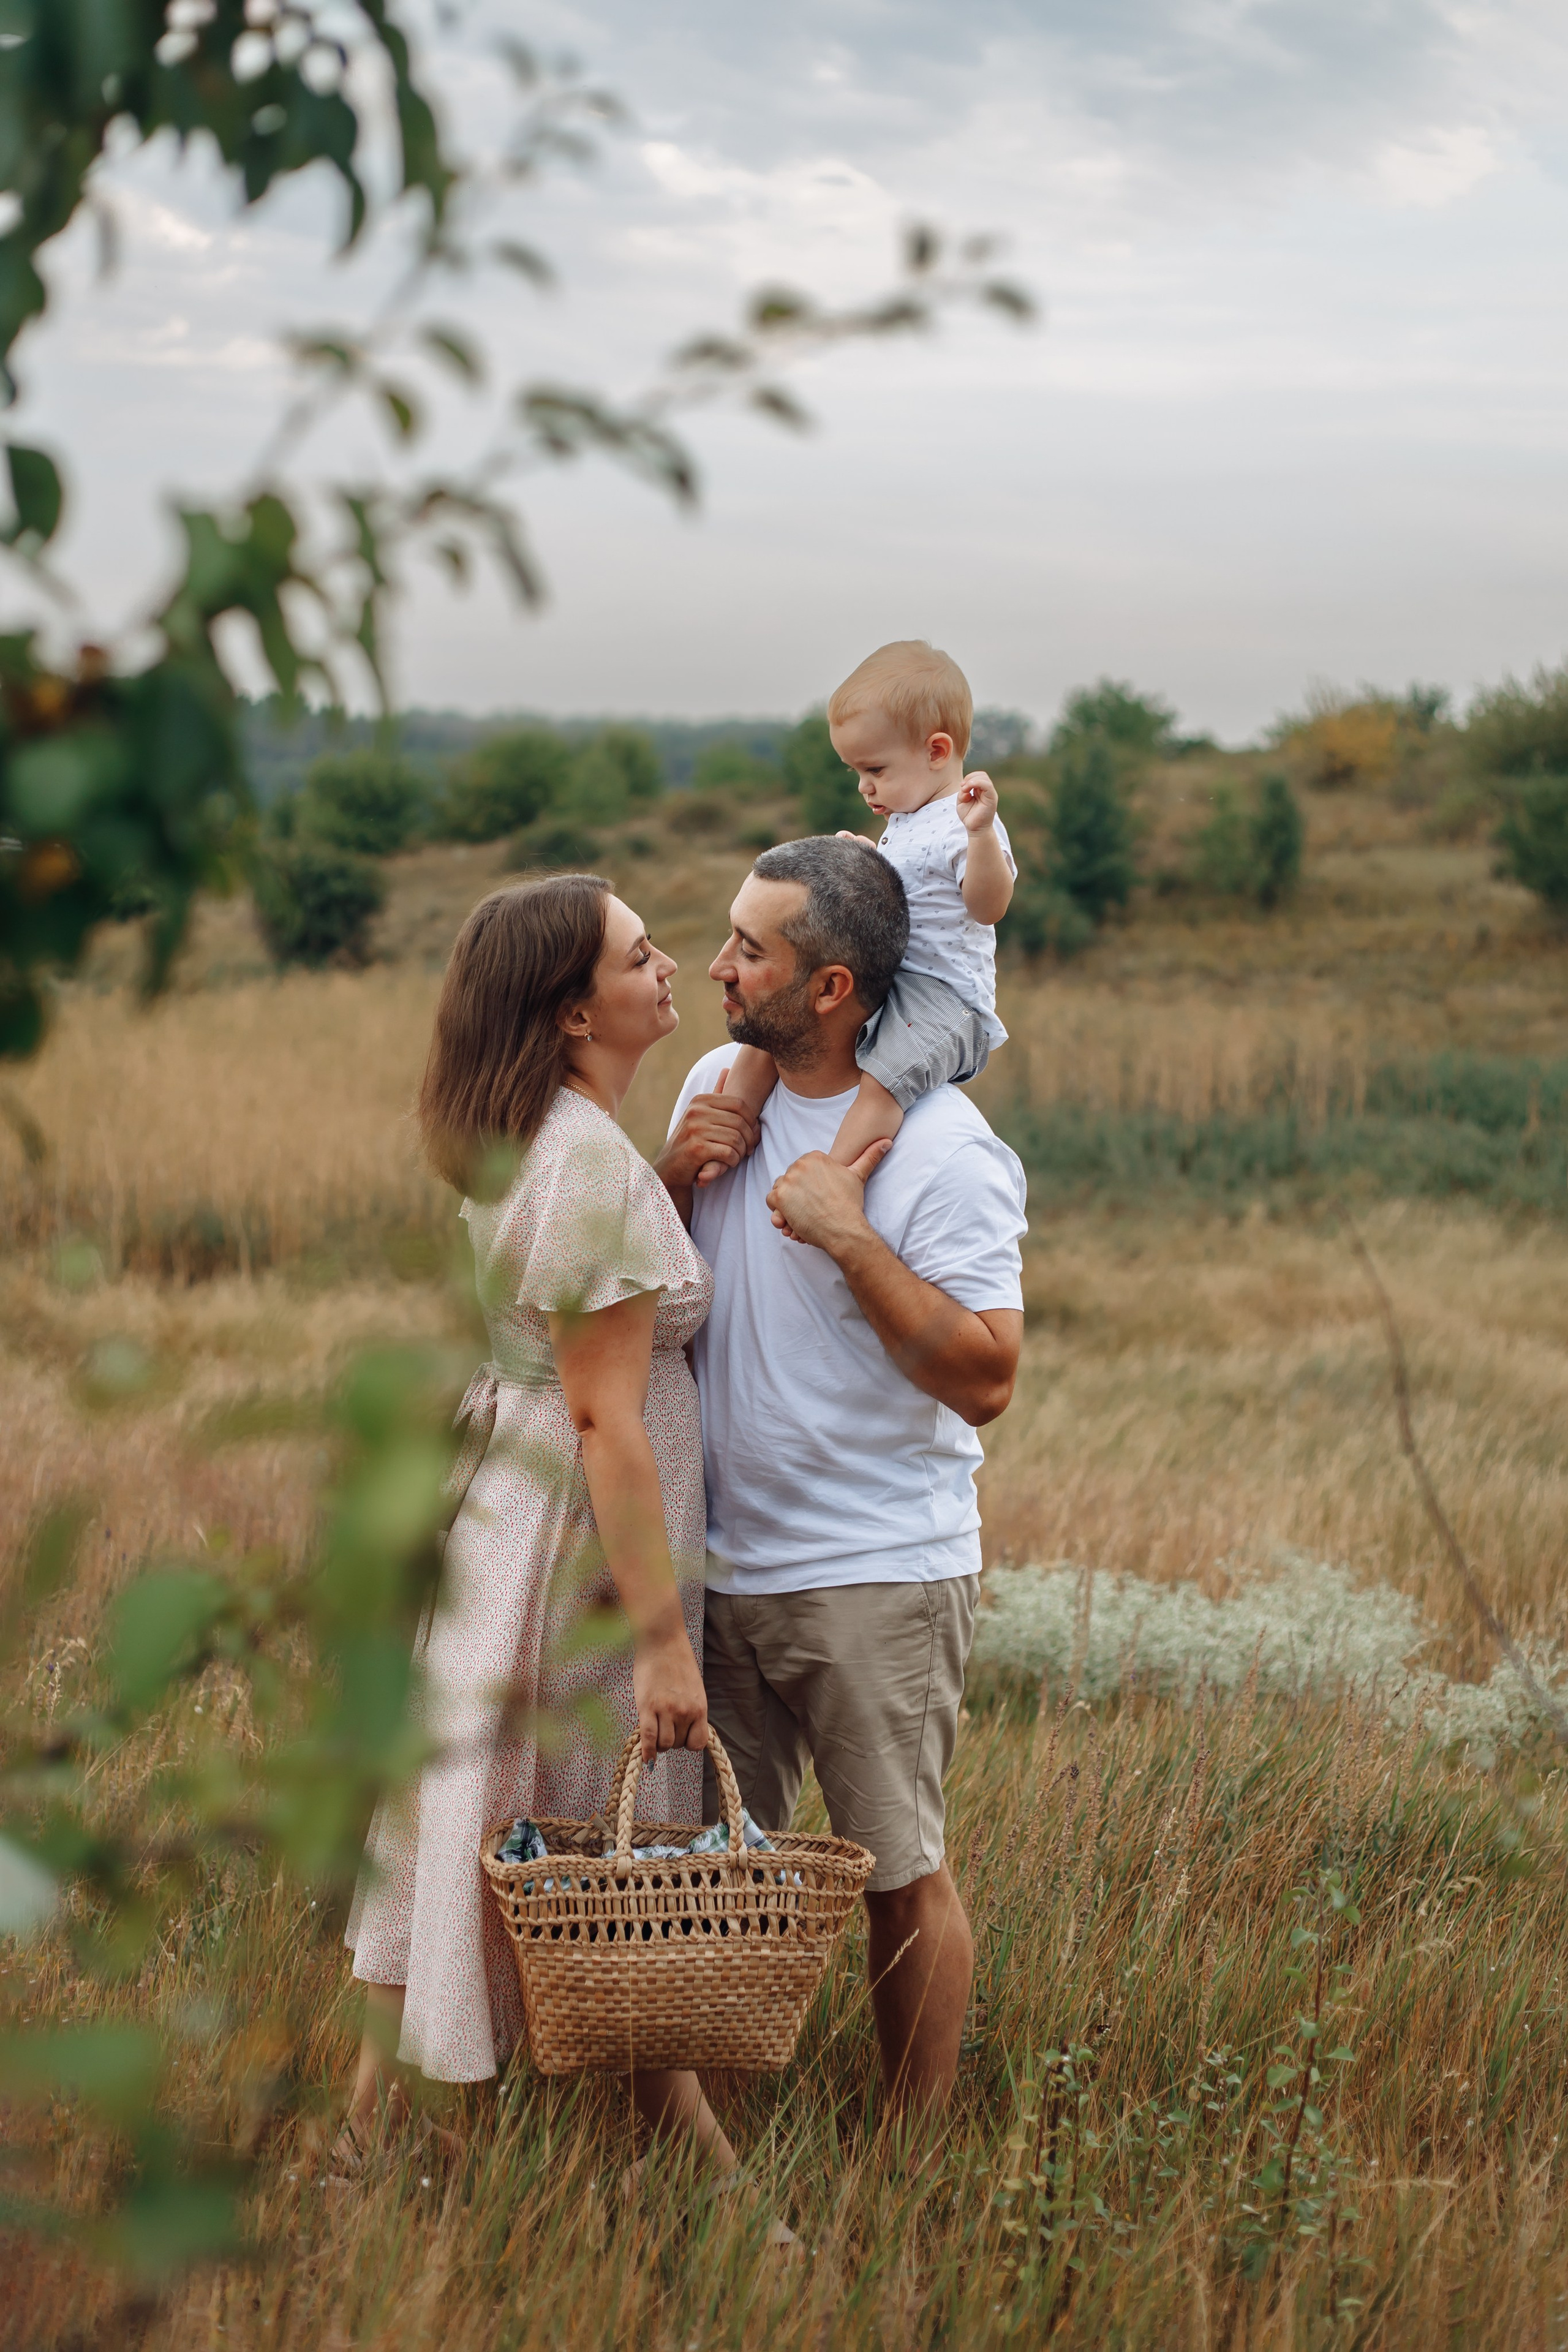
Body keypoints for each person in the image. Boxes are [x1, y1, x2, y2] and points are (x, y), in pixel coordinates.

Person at [339, 875, 737, 2179]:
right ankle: (686, 2170)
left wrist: (659, 1182)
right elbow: (605, 1422)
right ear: (575, 1012)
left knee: (476, 1815)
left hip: (511, 1512)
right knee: (581, 1833)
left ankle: (377, 2146)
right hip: (574, 1548)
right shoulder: (579, 1167)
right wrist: (666, 1645)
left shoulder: (540, 1140)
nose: (669, 965)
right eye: (639, 954)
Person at [657, 835, 1027, 2122]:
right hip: (714, 1561)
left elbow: (984, 1375)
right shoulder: (718, 1084)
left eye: (748, 950)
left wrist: (848, 1236)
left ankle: (908, 2153)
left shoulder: (945, 1149)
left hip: (874, 1569)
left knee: (898, 1876)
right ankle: (714, 2149)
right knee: (709, 1875)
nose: (715, 966)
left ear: (831, 989)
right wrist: (667, 1177)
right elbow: (656, 1296)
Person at [695, 641, 1016, 1190]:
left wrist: (982, 834)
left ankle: (830, 1182)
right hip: (885, 973)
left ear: (937, 751)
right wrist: (866, 863)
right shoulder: (907, 817)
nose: (864, 786)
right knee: (776, 1034)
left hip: (942, 997)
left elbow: (988, 907)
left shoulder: (964, 822)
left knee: (884, 1083)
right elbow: (902, 895)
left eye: (874, 769)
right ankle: (727, 1130)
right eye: (855, 771)